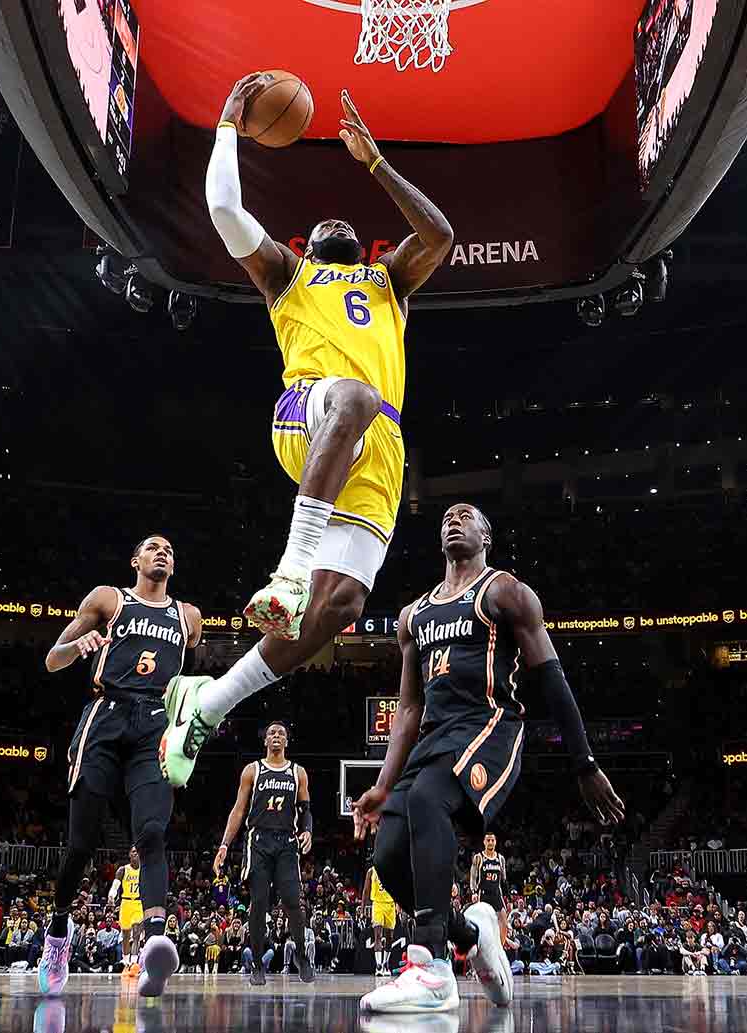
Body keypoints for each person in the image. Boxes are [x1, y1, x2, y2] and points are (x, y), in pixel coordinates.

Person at [158, 79, 454, 788]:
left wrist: (377, 165)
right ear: (310, 246)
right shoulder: (288, 274)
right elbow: (225, 209)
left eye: (345, 224)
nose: (334, 224)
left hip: (380, 450)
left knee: (342, 606)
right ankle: (289, 570)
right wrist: (229, 119)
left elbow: (440, 234)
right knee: (354, 395)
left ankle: (208, 698)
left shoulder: (390, 283)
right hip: (311, 412)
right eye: (322, 225)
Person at [350, 504, 626, 1012]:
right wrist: (385, 784)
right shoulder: (414, 615)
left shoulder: (504, 592)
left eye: (466, 515)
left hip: (491, 725)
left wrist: (584, 763)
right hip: (435, 736)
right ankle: (471, 935)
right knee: (388, 854)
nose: (453, 519)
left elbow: (551, 678)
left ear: (486, 536)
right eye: (447, 517)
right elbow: (409, 708)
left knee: (430, 799)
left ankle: (430, 966)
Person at [36, 535, 203, 998]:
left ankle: (153, 949)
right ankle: (57, 934)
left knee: (151, 832)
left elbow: (190, 680)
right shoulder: (109, 599)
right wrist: (79, 645)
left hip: (155, 724)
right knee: (81, 845)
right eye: (152, 547)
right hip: (105, 715)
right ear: (135, 560)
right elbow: (53, 660)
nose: (163, 552)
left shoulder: (188, 618)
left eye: (170, 548)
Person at [211, 721, 314, 985]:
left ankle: (302, 954)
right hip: (258, 840)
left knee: (292, 899)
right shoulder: (252, 770)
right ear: (265, 741)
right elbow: (238, 810)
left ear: (287, 741)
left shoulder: (298, 772)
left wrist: (308, 831)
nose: (277, 736)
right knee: (258, 902)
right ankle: (257, 963)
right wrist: (224, 845)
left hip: (287, 842)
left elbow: (305, 809)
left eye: (281, 733)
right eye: (272, 733)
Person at [109, 848, 145, 977]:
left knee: (136, 933)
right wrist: (112, 896)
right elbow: (115, 886)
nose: (136, 853)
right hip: (125, 903)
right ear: (129, 854)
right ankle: (125, 963)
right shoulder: (123, 870)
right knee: (125, 935)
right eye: (133, 851)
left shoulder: (144, 871)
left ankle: (134, 964)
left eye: (138, 851)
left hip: (139, 903)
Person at [362, 862, 397, 977]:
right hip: (377, 904)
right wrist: (363, 908)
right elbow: (366, 890)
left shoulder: (393, 869)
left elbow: (399, 888)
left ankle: (386, 963)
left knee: (389, 937)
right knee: (377, 936)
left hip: (390, 904)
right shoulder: (371, 871)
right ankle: (378, 966)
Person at [471, 832, 508, 917]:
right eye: (488, 840)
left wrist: (508, 896)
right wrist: (474, 892)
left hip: (497, 893)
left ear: (495, 842)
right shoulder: (478, 857)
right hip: (484, 894)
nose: (490, 842)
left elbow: (504, 880)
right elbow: (473, 877)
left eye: (492, 840)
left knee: (504, 921)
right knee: (484, 920)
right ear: (484, 842)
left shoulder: (500, 858)